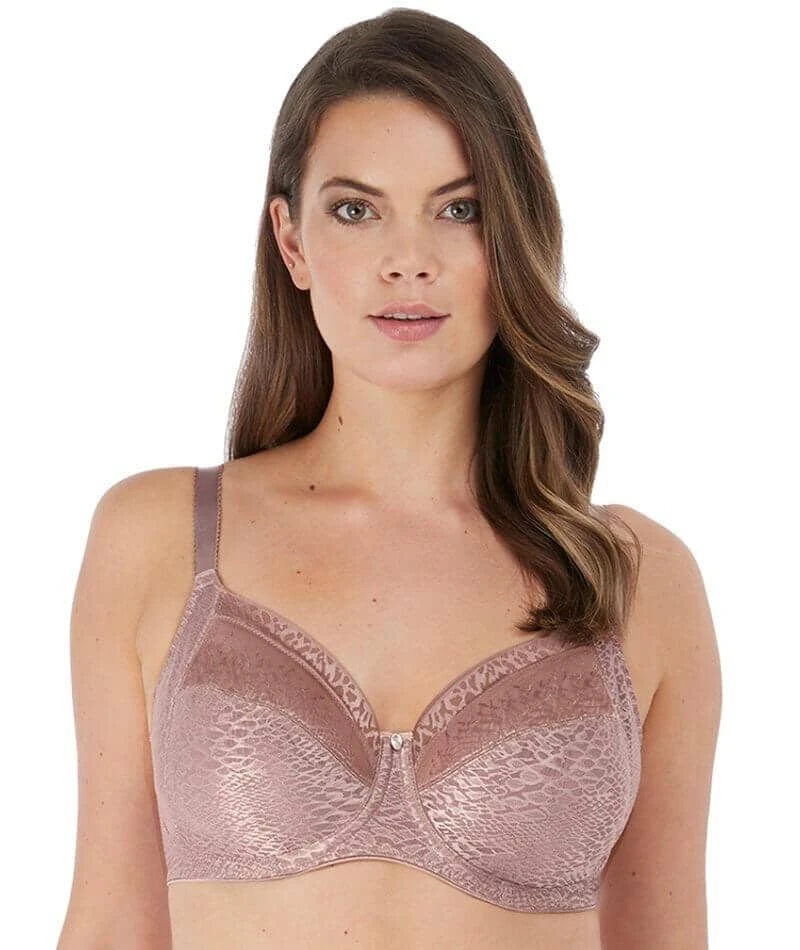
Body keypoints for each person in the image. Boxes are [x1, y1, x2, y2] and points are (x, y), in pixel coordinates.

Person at [57, 8, 721, 950]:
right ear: (291, 241)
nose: (408, 260)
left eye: (460, 209)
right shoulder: (160, 538)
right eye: (355, 210)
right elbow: (112, 926)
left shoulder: (638, 578)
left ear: (516, 236)